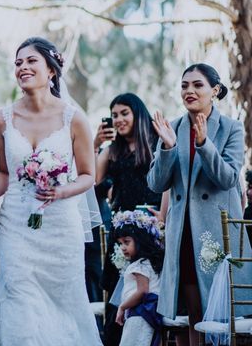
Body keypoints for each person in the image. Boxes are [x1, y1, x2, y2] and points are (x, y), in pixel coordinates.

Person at [0, 37, 102, 345]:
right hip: (16, 224)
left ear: (51, 71)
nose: (23, 68)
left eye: (31, 61)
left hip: (60, 227)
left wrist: (61, 192)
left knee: (65, 307)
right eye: (18, 63)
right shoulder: (2, 119)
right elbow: (4, 173)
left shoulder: (74, 118)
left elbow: (87, 175)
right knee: (17, 298)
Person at [147, 63, 251, 346]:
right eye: (184, 85)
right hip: (184, 235)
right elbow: (156, 185)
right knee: (193, 312)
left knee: (223, 314)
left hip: (218, 234)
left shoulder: (231, 128)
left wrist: (204, 143)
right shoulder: (173, 127)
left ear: (215, 91)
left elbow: (228, 178)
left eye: (197, 85)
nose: (189, 91)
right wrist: (167, 148)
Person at [94, 93, 167, 345]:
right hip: (122, 232)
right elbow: (91, 180)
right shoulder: (112, 150)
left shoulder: (156, 141)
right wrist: (95, 144)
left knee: (149, 287)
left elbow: (169, 179)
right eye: (114, 115)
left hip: (150, 227)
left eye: (124, 113)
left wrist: (163, 214)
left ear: (137, 113)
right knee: (119, 285)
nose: (119, 119)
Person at [112, 210, 164, 346]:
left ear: (140, 240)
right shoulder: (147, 262)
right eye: (120, 243)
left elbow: (142, 291)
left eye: (126, 242)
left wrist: (122, 307)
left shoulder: (140, 265)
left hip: (141, 313)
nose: (122, 247)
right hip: (144, 312)